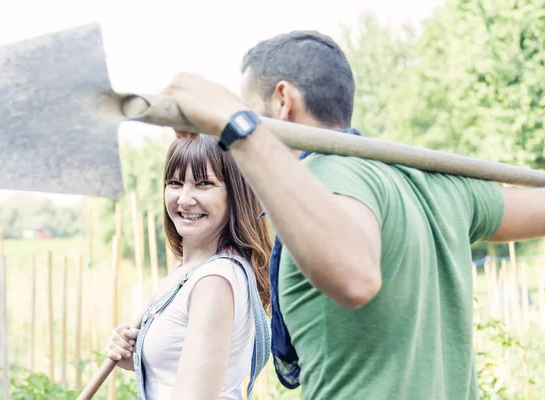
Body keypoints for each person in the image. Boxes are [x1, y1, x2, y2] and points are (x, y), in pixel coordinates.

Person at [160, 30, 545, 400]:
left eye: (250, 109)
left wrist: (233, 124)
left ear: (282, 101)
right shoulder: (432, 184)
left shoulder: (326, 179)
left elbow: (355, 278)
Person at [104, 135, 273, 399]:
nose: (184, 199)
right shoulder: (188, 268)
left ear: (235, 194)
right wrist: (138, 355)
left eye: (204, 184)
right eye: (175, 183)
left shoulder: (214, 281)